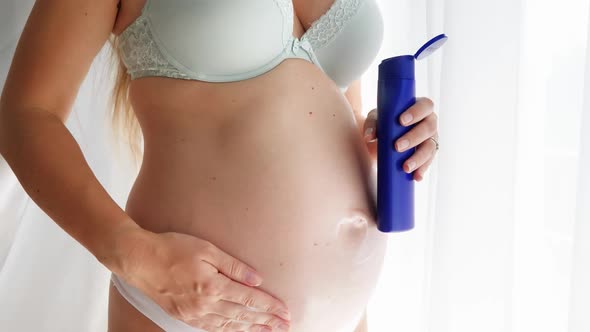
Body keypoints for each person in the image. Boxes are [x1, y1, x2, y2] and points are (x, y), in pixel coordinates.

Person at [0, 0, 440, 331]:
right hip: (196, 310)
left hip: (346, 315)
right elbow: (24, 116)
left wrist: (389, 131)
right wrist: (136, 256)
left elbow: (328, 96)